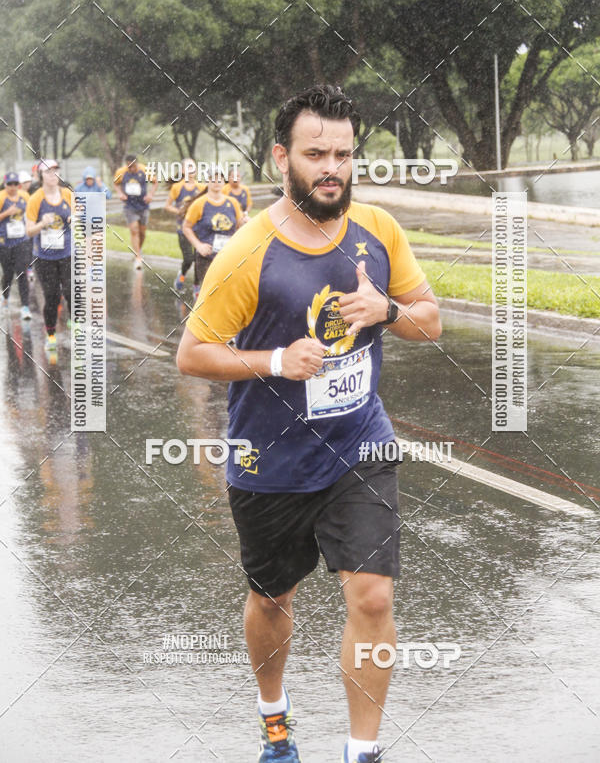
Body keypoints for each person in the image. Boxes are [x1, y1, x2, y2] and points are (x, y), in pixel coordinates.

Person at [177, 85, 442, 763]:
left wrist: (383, 311)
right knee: (271, 600)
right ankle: (275, 722)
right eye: (316, 153)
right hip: (271, 459)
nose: (332, 167)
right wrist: (274, 359)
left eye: (344, 154)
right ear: (281, 156)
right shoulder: (247, 251)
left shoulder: (378, 230)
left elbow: (429, 322)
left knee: (374, 596)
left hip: (360, 444)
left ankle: (364, 751)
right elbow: (192, 354)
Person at [26, 159, 73, 351]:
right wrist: (41, 224)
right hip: (44, 257)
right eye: (48, 171)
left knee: (72, 291)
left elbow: (81, 218)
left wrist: (74, 219)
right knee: (52, 296)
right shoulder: (36, 199)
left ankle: (76, 326)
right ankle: (51, 334)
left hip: (67, 253)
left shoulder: (68, 195)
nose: (53, 174)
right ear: (40, 176)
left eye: (55, 170)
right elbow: (29, 231)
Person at [182, 172, 243, 300]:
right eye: (213, 179)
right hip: (207, 257)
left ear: (223, 182)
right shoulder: (199, 203)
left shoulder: (232, 203)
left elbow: (239, 226)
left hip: (227, 257)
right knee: (209, 295)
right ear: (207, 181)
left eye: (219, 179)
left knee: (227, 294)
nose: (216, 182)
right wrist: (198, 246)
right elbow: (186, 227)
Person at [165, 159, 206, 292]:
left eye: (193, 167)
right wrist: (180, 211)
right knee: (188, 258)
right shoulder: (177, 187)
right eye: (188, 167)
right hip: (182, 227)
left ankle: (196, 286)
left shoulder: (200, 187)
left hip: (198, 228)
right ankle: (182, 275)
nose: (191, 170)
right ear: (182, 171)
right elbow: (167, 206)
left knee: (198, 258)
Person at [113, 153, 156, 269]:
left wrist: (151, 195)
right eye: (129, 167)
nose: (132, 169)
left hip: (143, 205)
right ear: (126, 165)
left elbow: (155, 182)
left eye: (134, 166)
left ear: (137, 164)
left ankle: (137, 251)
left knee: (142, 232)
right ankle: (138, 257)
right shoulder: (121, 172)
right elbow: (115, 184)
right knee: (134, 230)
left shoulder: (145, 170)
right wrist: (120, 193)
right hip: (129, 205)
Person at [0, 171, 32, 319]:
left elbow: (32, 214)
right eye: (9, 184)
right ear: (5, 185)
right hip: (5, 243)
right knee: (8, 274)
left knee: (21, 273)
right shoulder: (1, 197)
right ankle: (5, 297)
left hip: (22, 242)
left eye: (15, 184)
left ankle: (25, 306)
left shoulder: (25, 196)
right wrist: (7, 213)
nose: (13, 187)